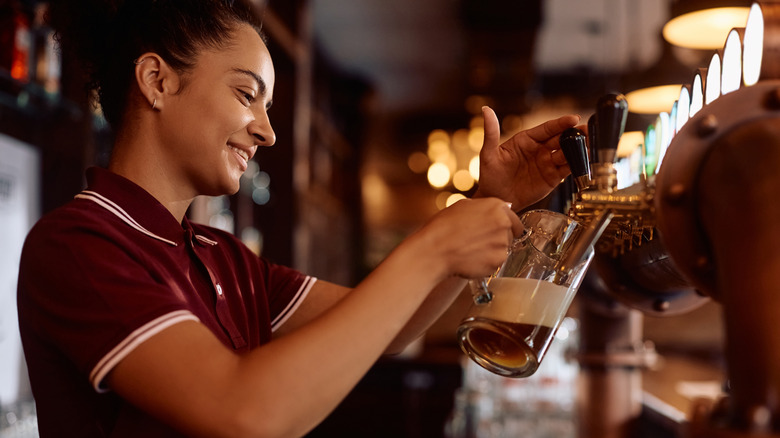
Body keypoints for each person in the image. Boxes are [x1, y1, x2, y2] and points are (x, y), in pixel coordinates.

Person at [16, 1, 580, 437]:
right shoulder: (78, 244)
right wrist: (432, 247)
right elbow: (243, 413)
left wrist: (489, 203)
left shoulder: (221, 255)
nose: (267, 131)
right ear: (157, 81)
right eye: (247, 94)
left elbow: (391, 329)